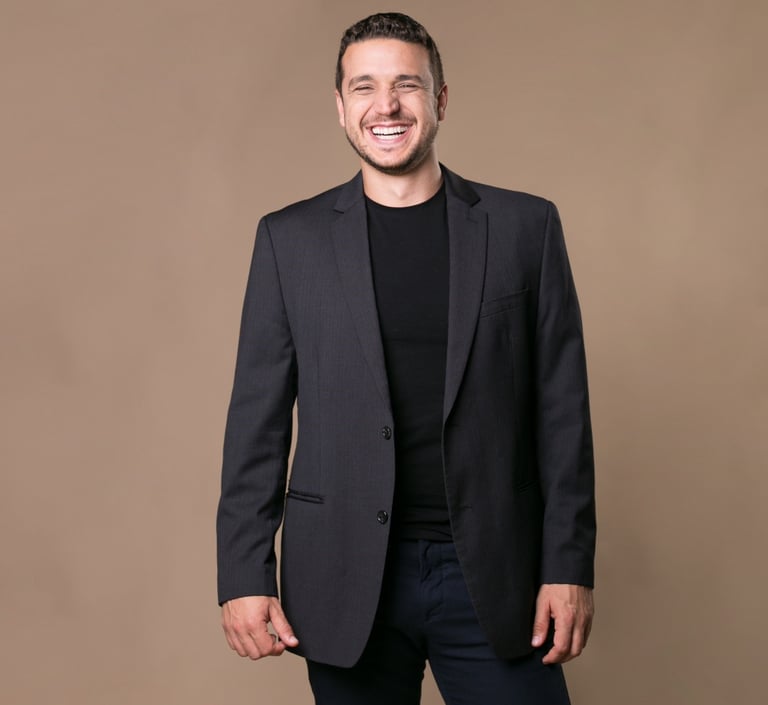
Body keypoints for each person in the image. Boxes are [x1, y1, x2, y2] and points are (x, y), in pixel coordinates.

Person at [217, 12, 595, 705]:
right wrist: (243, 571)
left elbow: (562, 413)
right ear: (340, 106)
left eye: (406, 86)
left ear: (440, 100)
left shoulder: (524, 228)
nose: (385, 105)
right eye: (364, 87)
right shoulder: (288, 241)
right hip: (344, 573)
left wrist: (568, 564)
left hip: (494, 571)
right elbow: (257, 422)